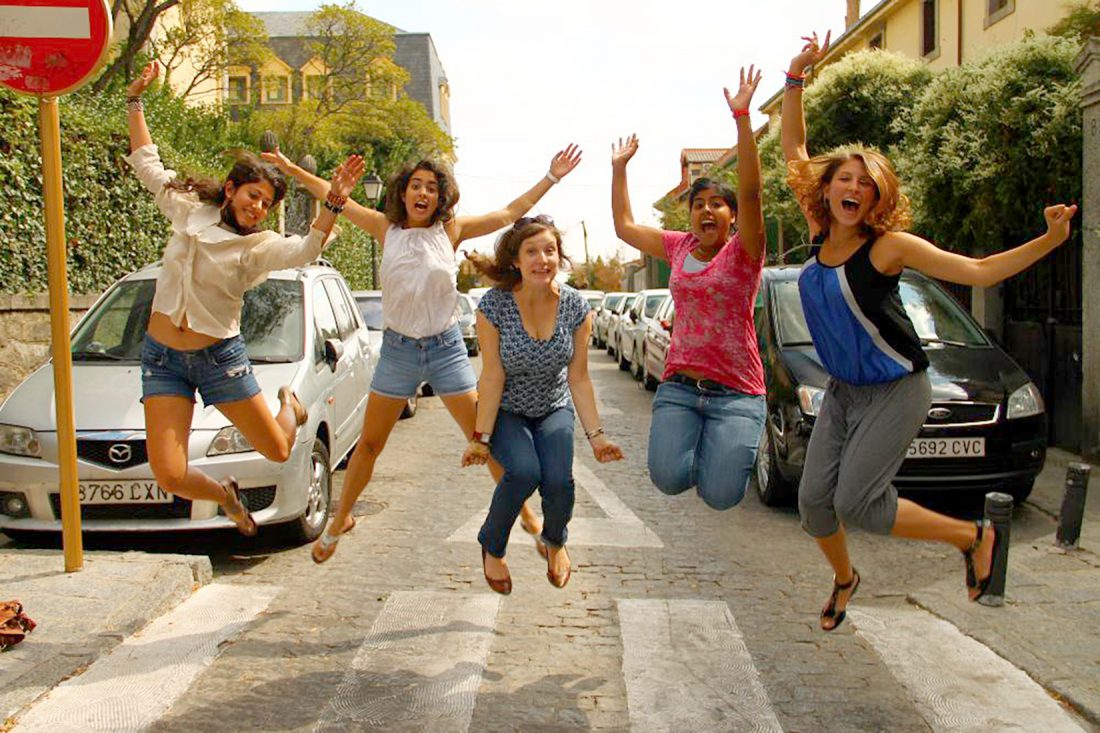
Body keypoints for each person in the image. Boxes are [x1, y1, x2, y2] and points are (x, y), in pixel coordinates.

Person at [782, 32, 1078, 630]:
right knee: (814, 505)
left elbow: (978, 270)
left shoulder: (888, 248)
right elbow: (794, 148)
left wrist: (1051, 239)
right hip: (843, 392)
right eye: (845, 179)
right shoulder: (818, 231)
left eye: (867, 184)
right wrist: (794, 81)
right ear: (828, 187)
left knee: (858, 505)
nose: (855, 189)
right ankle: (845, 578)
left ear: (877, 197)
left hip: (897, 389)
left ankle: (972, 537)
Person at [264, 145, 583, 562]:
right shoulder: (385, 229)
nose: (423, 193)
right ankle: (340, 518)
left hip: (446, 348)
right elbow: (337, 196)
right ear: (403, 192)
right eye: (416, 185)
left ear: (441, 196)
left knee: (481, 438)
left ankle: (526, 516)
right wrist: (293, 170)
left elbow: (509, 213)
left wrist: (551, 176)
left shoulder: (450, 231)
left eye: (431, 188)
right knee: (370, 443)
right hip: (398, 350)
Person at [125, 61, 364, 536]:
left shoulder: (257, 248)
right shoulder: (186, 209)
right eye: (252, 196)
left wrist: (333, 202)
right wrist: (134, 101)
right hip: (162, 358)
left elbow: (305, 249)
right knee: (169, 474)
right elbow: (147, 163)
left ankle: (290, 409)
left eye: (266, 204)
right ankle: (225, 496)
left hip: (218, 358)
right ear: (231, 189)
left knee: (277, 450)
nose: (258, 208)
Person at [610, 67, 768, 510]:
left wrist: (742, 117)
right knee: (667, 477)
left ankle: (727, 446)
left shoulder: (744, 252)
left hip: (737, 391)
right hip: (680, 387)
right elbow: (623, 227)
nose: (707, 211)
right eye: (699, 204)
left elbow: (753, 194)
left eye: (717, 204)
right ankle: (705, 445)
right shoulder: (678, 247)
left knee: (721, 496)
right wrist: (619, 170)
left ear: (732, 216)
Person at [462, 217, 623, 593]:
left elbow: (579, 378)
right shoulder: (494, 306)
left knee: (559, 483)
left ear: (559, 257)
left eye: (549, 250)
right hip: (506, 409)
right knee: (522, 472)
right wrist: (481, 438)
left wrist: (597, 437)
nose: (542, 259)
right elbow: (491, 376)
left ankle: (554, 541)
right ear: (516, 261)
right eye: (531, 251)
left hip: (553, 407)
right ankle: (492, 544)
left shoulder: (575, 307)